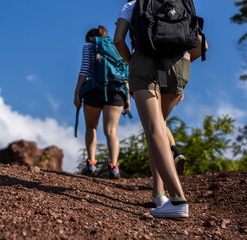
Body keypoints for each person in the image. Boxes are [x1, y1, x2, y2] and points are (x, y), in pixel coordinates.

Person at [114, 0, 208, 218]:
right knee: (158, 129)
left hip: (144, 64)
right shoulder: (181, 2)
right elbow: (202, 44)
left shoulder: (134, 4)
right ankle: (159, 193)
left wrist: (132, 62)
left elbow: (118, 40)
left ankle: (177, 200)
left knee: (154, 130)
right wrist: (182, 66)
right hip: (178, 67)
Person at [74, 25, 131, 179]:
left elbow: (85, 69)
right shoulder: (116, 45)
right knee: (111, 131)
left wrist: (77, 92)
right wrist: (127, 97)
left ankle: (91, 164)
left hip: (94, 90)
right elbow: (124, 70)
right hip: (116, 91)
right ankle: (113, 167)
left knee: (91, 126)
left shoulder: (88, 46)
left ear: (89, 38)